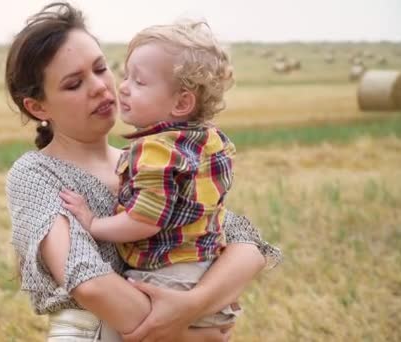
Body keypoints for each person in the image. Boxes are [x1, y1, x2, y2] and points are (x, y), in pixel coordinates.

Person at [5, 2, 281, 341]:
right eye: (74, 83)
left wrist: (192, 303)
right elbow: (88, 282)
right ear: (38, 107)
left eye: (101, 68)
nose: (101, 87)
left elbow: (246, 245)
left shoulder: (150, 161)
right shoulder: (37, 174)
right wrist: (191, 336)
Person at [59, 20, 258, 328]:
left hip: (163, 278)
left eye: (139, 82)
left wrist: (93, 223)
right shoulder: (211, 141)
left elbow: (144, 221)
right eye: (125, 76)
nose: (122, 87)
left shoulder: (154, 151)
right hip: (204, 270)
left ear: (181, 102)